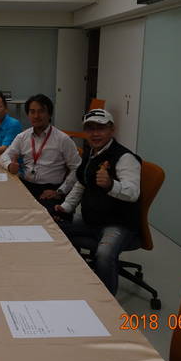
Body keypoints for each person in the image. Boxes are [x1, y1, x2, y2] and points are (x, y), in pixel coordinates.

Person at [55, 109, 142, 296]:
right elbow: (81, 183)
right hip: (92, 219)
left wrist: (111, 185)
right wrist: (66, 207)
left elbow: (133, 192)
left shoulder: (125, 158)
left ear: (112, 129)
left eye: (100, 128)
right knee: (54, 228)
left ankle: (105, 302)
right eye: (90, 129)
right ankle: (74, 281)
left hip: (119, 223)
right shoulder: (91, 154)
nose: (95, 133)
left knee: (104, 254)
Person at [0, 94, 81, 216]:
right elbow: (4, 157)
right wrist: (9, 165)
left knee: (46, 218)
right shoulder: (22, 137)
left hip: (50, 190)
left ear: (49, 114)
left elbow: (77, 168)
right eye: (32, 112)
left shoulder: (63, 139)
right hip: (26, 186)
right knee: (5, 210)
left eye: (41, 111)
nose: (36, 116)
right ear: (28, 114)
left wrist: (60, 191)